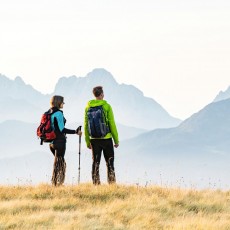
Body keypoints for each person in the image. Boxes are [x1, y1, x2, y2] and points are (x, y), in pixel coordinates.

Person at [84, 86, 119, 185]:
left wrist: (87, 141)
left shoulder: (88, 107)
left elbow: (86, 125)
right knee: (110, 162)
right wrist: (116, 140)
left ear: (94, 95)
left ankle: (96, 184)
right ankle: (112, 184)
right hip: (106, 138)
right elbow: (112, 124)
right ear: (102, 94)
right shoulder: (106, 106)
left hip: (94, 140)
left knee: (96, 162)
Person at [49, 95, 81, 186]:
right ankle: (57, 184)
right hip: (59, 142)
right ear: (59, 102)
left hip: (51, 143)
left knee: (59, 163)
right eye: (63, 102)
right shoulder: (58, 113)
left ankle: (56, 183)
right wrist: (75, 132)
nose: (63, 104)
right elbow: (62, 129)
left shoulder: (49, 112)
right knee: (60, 164)